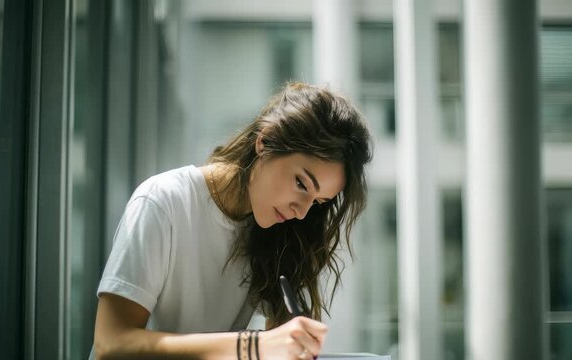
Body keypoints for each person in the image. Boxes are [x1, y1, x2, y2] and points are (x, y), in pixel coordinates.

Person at [91, 82, 373, 359]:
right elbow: (111, 343)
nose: (302, 212)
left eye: (317, 203)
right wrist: (251, 346)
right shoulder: (164, 201)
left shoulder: (279, 231)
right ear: (265, 141)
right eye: (301, 184)